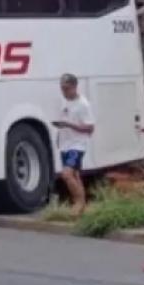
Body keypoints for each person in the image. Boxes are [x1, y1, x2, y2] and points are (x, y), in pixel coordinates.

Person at [53, 74, 95, 216]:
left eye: (66, 89)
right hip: (65, 144)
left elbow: (90, 128)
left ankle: (78, 202)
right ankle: (83, 205)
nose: (64, 92)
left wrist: (69, 125)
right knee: (75, 175)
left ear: (74, 87)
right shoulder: (64, 102)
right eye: (62, 89)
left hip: (77, 145)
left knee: (66, 174)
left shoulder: (83, 104)